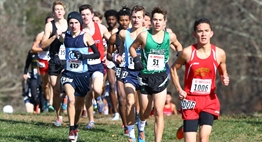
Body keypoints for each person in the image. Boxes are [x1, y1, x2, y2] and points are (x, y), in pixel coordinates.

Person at [170, 18, 230, 142]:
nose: (203, 34)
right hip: (190, 100)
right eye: (200, 31)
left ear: (211, 33)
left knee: (203, 138)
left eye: (206, 31)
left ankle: (191, 125)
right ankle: (186, 126)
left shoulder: (219, 53)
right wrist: (179, 89)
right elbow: (173, 69)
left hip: (209, 99)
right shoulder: (187, 52)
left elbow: (223, 70)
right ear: (194, 34)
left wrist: (225, 77)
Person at [129, 6, 183, 142]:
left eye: (160, 20)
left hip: (160, 77)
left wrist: (180, 55)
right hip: (145, 77)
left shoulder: (169, 36)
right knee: (145, 113)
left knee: (159, 111)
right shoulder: (144, 35)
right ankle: (141, 125)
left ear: (165, 22)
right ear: (151, 21)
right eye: (155, 20)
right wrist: (136, 59)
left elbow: (178, 46)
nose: (157, 22)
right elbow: (132, 48)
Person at [59, 11, 100, 141]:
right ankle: (71, 130)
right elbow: (55, 48)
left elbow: (97, 54)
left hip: (82, 75)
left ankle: (76, 126)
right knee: (70, 99)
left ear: (80, 24)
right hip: (68, 74)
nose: (74, 25)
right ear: (68, 24)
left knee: (78, 107)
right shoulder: (64, 37)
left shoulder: (86, 36)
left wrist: (84, 56)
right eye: (71, 23)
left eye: (76, 23)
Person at [115, 5, 146, 142]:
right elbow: (123, 46)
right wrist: (120, 55)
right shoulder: (124, 33)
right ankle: (131, 135)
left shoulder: (148, 33)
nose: (136, 20)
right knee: (130, 101)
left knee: (144, 107)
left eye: (139, 17)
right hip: (130, 72)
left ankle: (141, 129)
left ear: (144, 18)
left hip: (145, 73)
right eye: (134, 17)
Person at [78, 4, 110, 130]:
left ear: (92, 15)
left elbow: (111, 39)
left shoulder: (100, 28)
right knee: (87, 94)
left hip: (97, 63)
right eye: (83, 14)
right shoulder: (78, 29)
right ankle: (91, 121)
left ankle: (99, 97)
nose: (85, 17)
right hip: (83, 65)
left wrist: (110, 54)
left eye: (87, 14)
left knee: (96, 89)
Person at [41, 0, 68, 126]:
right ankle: (59, 117)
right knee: (55, 89)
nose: (59, 11)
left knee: (67, 87)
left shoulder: (70, 24)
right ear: (53, 12)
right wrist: (54, 37)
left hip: (68, 60)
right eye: (56, 9)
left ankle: (66, 101)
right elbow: (43, 44)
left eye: (61, 9)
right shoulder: (49, 26)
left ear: (64, 11)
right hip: (54, 60)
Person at [107, 5, 131, 135]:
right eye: (122, 20)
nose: (124, 23)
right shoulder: (113, 37)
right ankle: (126, 126)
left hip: (134, 69)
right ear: (118, 20)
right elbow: (108, 55)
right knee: (121, 97)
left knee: (133, 99)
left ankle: (137, 120)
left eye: (127, 20)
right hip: (121, 68)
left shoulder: (136, 35)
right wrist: (115, 56)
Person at [31, 15, 54, 112]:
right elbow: (33, 48)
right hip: (43, 60)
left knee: (53, 82)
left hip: (53, 60)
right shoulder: (41, 35)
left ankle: (50, 104)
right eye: (48, 23)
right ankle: (47, 99)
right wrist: (43, 48)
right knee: (45, 84)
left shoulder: (58, 34)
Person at [23, 50, 42, 114]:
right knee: (33, 90)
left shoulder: (46, 50)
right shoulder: (32, 52)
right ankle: (36, 105)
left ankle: (43, 107)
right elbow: (27, 63)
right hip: (34, 76)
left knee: (43, 92)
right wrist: (25, 73)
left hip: (44, 75)